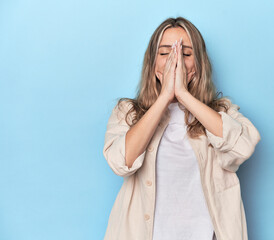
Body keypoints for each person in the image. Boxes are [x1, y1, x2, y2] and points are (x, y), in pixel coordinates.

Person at [103, 17, 261, 240]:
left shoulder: (220, 112)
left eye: (186, 54)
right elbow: (121, 163)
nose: (174, 60)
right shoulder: (127, 112)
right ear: (152, 61)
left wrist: (184, 96)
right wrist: (165, 97)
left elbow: (243, 147)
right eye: (165, 52)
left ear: (198, 63)